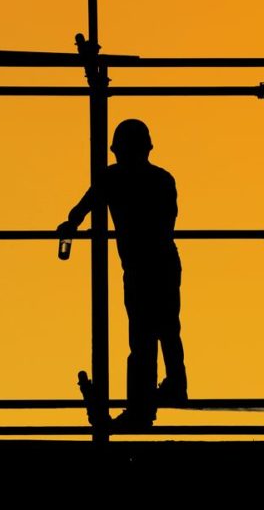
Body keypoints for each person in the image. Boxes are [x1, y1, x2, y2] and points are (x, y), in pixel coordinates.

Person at [59, 119, 187, 430]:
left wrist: (70, 226)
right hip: (163, 261)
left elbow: (83, 207)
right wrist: (72, 223)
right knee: (166, 327)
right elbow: (167, 222)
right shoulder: (160, 179)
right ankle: (173, 386)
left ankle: (143, 408)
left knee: (144, 335)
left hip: (142, 266)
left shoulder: (112, 179)